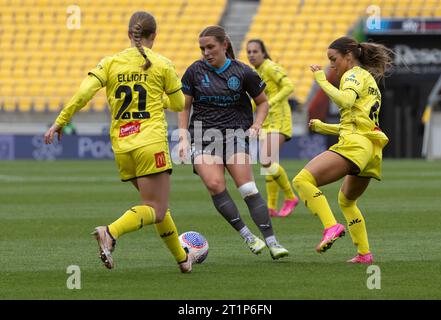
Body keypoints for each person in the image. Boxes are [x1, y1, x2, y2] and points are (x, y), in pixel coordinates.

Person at [44, 11, 194, 273]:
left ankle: (182, 260)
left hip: (123, 146)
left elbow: (84, 92)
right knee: (156, 209)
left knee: (155, 205)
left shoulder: (110, 63)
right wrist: (160, 98)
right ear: (154, 36)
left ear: (129, 34)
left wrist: (61, 121)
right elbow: (180, 104)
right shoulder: (162, 64)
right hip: (151, 142)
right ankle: (110, 232)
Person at [177, 25, 289, 260]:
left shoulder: (243, 72)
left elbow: (263, 103)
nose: (206, 52)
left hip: (235, 135)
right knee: (216, 185)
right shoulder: (194, 71)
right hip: (203, 137)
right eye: (202, 48)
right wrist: (184, 138)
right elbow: (184, 107)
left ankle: (272, 241)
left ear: (224, 45)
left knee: (248, 188)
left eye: (210, 47)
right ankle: (248, 236)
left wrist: (257, 124)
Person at [292, 36, 392, 264]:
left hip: (356, 144)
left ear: (348, 56)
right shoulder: (368, 80)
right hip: (371, 148)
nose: (331, 65)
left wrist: (321, 81)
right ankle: (364, 254)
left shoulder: (353, 75)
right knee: (347, 201)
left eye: (333, 59)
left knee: (302, 180)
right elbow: (356, 121)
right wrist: (323, 126)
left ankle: (330, 226)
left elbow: (346, 101)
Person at [246, 39, 299, 217]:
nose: (251, 55)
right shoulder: (255, 72)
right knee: (268, 166)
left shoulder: (269, 67)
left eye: (255, 51)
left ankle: (291, 197)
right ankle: (271, 206)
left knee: (266, 159)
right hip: (266, 122)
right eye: (249, 52)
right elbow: (257, 102)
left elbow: (289, 86)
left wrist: (270, 103)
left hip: (280, 120)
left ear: (263, 53)